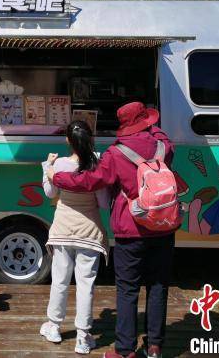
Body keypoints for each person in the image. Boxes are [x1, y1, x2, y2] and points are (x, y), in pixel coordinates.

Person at [47, 102, 175, 358]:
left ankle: (125, 350)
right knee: (158, 286)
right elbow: (159, 133)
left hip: (131, 229)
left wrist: (56, 177)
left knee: (128, 290)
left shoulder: (116, 153)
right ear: (146, 122)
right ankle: (154, 346)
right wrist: (151, 126)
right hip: (163, 226)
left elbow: (90, 181)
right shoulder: (164, 146)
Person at [40, 121, 110, 355]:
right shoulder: (96, 165)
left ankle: (54, 327)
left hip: (62, 229)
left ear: (68, 140)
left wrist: (47, 167)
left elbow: (50, 192)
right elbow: (103, 203)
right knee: (85, 284)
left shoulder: (59, 164)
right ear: (90, 139)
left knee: (59, 280)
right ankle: (83, 336)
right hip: (89, 232)